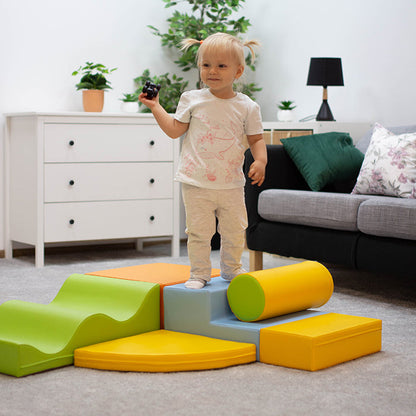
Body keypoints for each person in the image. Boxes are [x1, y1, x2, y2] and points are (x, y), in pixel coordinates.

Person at [139, 32, 267, 289]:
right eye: (206, 65)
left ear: (238, 71)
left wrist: (261, 161)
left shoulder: (247, 106)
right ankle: (199, 273)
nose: (212, 71)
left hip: (231, 184)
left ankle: (232, 269)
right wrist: (156, 107)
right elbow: (175, 130)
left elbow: (256, 139)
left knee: (233, 231)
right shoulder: (192, 99)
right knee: (198, 233)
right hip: (196, 181)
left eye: (221, 66)